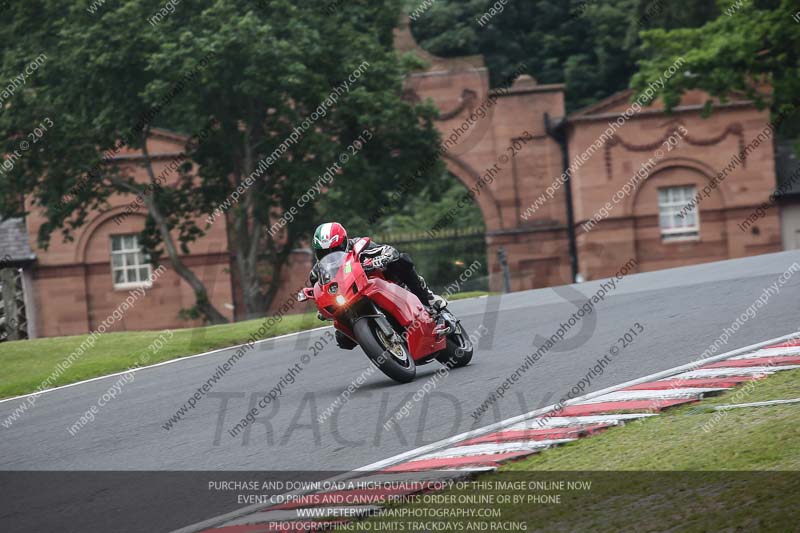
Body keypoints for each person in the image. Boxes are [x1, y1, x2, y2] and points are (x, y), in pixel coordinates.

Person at [309, 221, 447, 313]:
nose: (331, 255)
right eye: (324, 253)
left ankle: (427, 297)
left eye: (335, 249)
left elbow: (388, 250)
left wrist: (382, 258)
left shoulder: (359, 245)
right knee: (342, 339)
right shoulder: (317, 272)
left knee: (402, 261)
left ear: (345, 242)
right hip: (351, 300)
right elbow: (320, 290)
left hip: (386, 284)